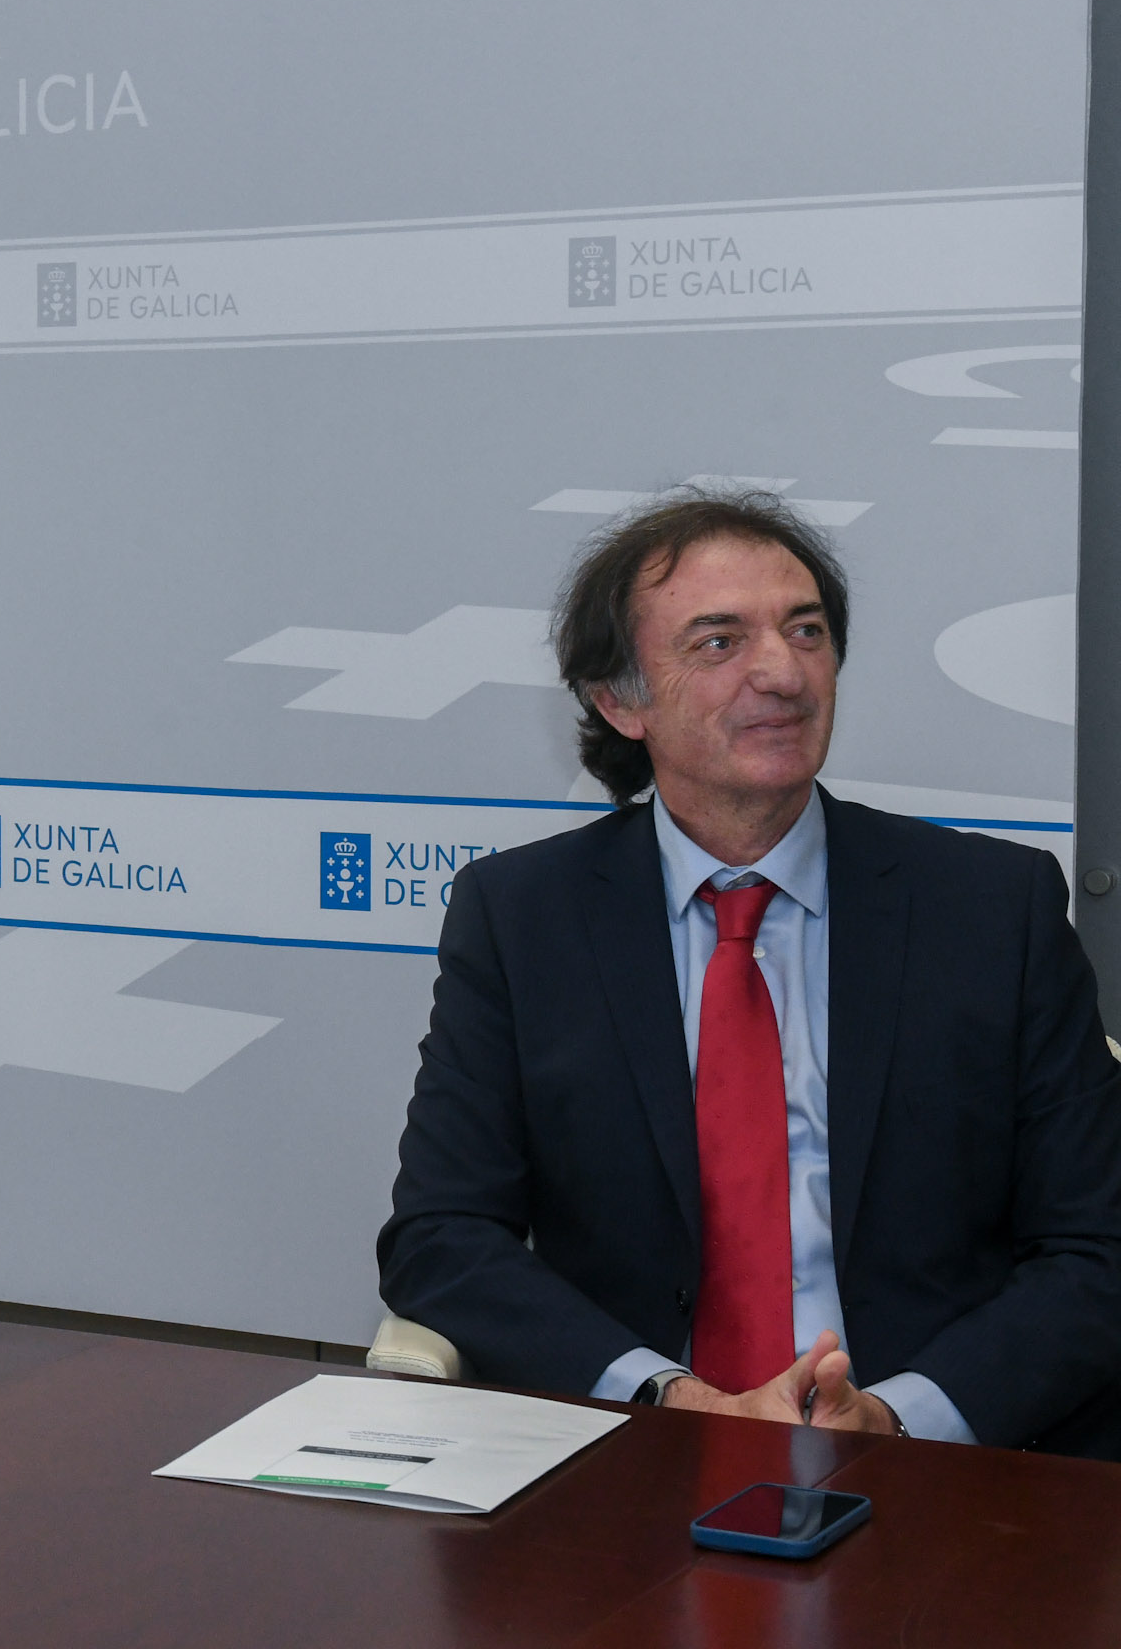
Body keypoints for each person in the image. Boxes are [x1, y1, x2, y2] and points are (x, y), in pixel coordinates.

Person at [379, 489, 1121, 1455]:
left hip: (935, 1462)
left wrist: (900, 1416)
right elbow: (442, 1236)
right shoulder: (523, 918)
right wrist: (672, 1400)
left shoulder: (990, 907)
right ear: (620, 701)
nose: (783, 673)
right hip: (640, 1454)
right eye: (720, 642)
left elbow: (1096, 1246)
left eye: (806, 632)